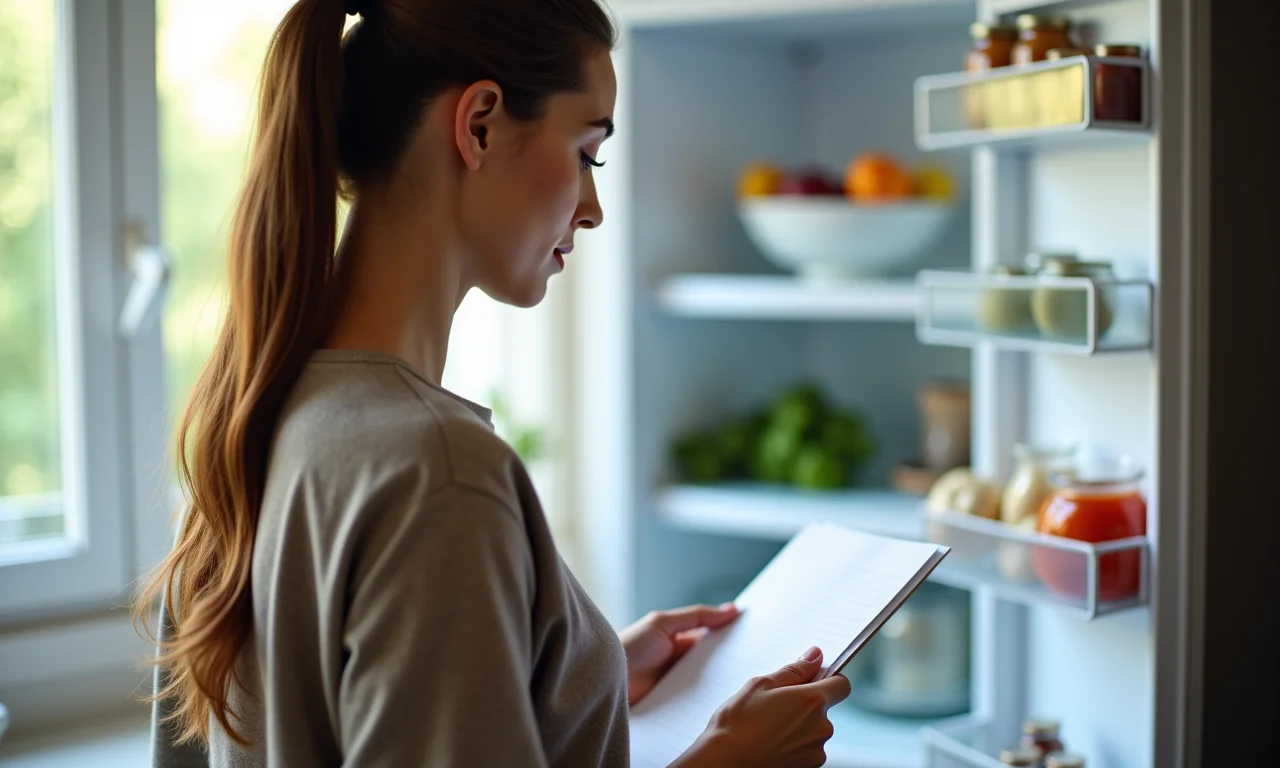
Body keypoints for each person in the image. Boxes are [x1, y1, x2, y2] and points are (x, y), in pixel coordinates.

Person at [138, 0, 852, 766]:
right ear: (479, 125)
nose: (592, 209)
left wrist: (575, 676)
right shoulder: (439, 471)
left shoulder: (248, 422)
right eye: (586, 153)